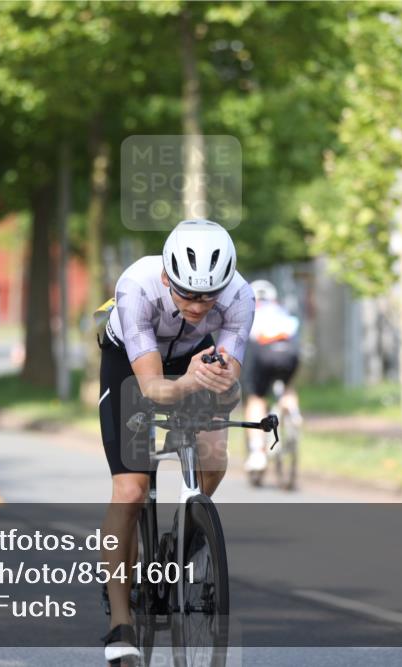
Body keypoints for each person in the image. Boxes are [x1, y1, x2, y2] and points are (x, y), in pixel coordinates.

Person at [97, 219, 254, 664]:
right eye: (187, 294)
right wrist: (187, 382)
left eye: (209, 296)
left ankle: (191, 532)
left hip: (192, 359)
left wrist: (223, 387)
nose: (199, 306)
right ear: (168, 277)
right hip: (131, 364)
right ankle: (120, 621)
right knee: (130, 490)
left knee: (215, 458)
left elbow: (229, 385)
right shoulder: (137, 287)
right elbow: (152, 390)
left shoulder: (240, 296)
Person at [242, 280, 302, 474]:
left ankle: (257, 452)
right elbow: (294, 328)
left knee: (257, 398)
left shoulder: (250, 313)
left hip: (265, 352)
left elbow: (247, 342)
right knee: (287, 386)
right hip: (289, 352)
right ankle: (292, 411)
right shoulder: (281, 310)